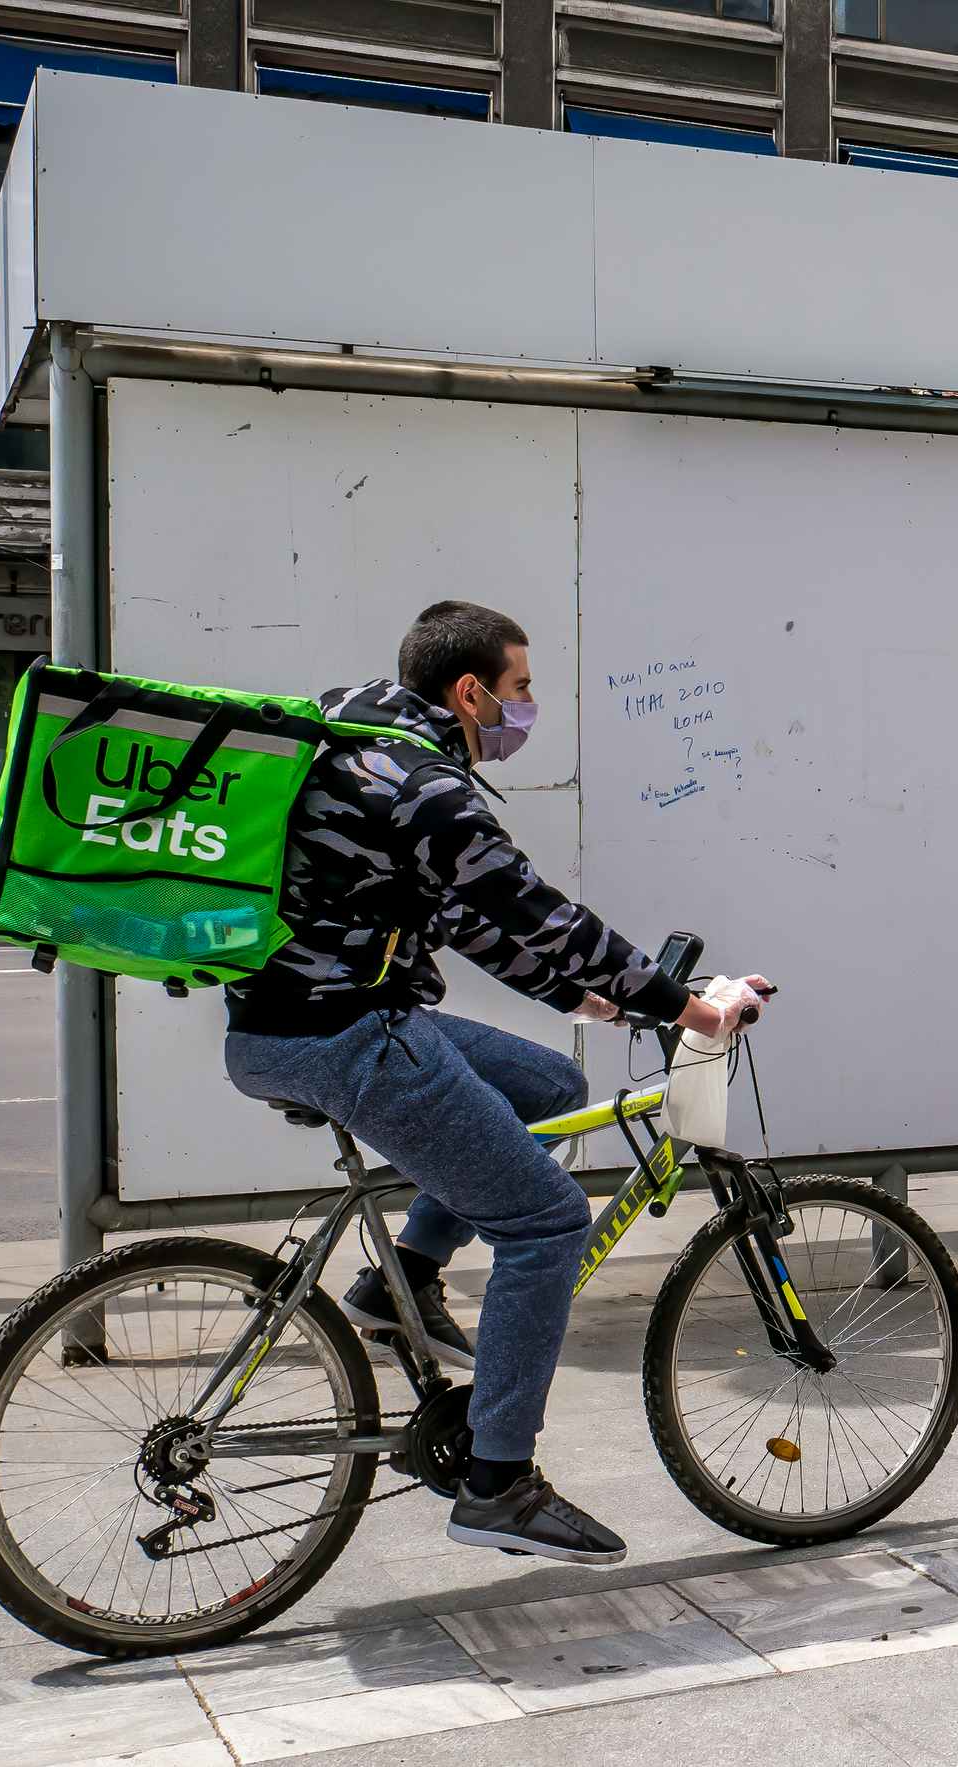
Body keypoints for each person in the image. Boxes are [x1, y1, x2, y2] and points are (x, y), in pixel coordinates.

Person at [220, 600, 766, 1564]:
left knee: (552, 1086)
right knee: (549, 1220)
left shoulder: (355, 733)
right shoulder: (428, 786)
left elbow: (472, 922)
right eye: (518, 690)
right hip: (346, 1033)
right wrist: (688, 1008)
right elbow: (535, 909)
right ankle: (498, 1482)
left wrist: (589, 1001)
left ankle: (407, 1281)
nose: (526, 709)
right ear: (468, 690)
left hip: (303, 1018)